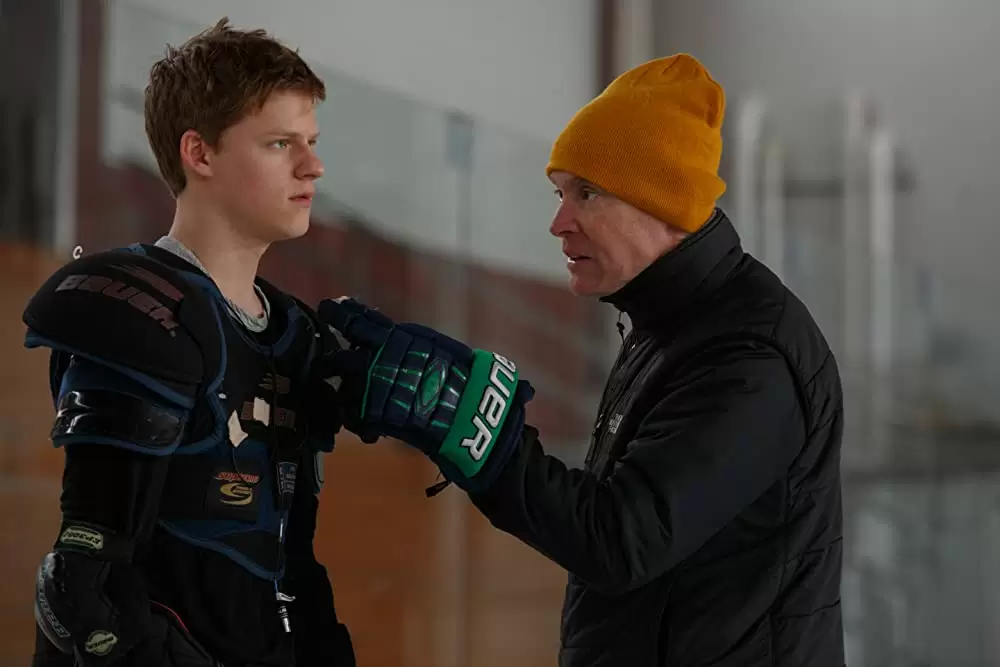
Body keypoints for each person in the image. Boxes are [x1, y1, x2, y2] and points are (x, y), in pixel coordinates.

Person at [317, 54, 845, 666]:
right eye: (560, 192)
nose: (558, 223)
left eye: (586, 193)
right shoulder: (670, 325)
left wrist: (482, 437)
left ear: (663, 200)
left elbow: (622, 540)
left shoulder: (749, 356)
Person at [25, 19, 355, 666]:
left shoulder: (293, 336)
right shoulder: (141, 313)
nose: (313, 165)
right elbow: (83, 587)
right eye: (281, 143)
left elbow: (295, 570)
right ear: (199, 154)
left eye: (312, 141)